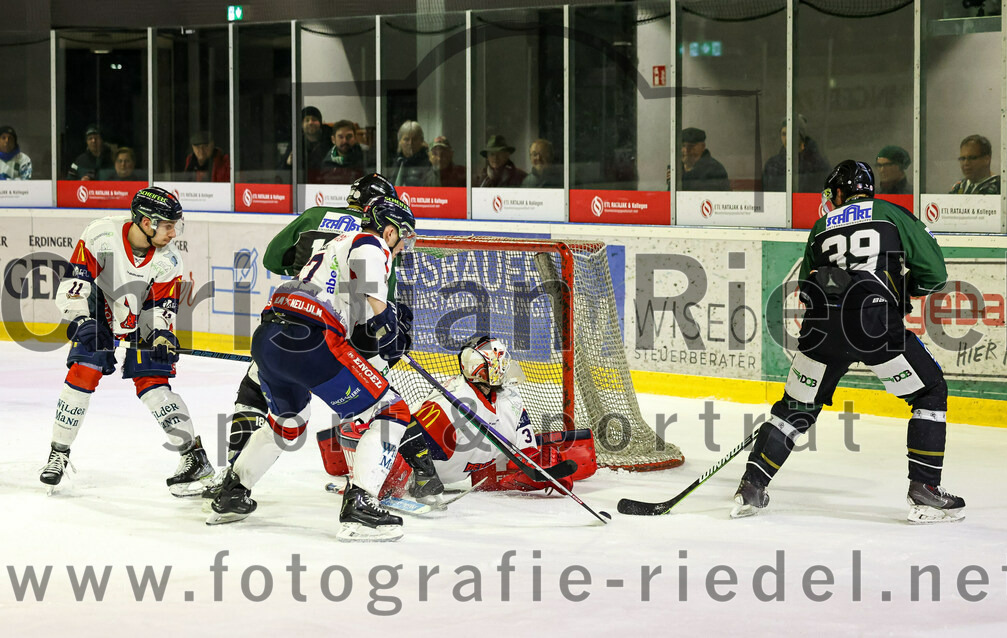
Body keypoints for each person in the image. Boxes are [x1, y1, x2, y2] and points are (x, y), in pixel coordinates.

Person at [732, 160, 964, 524]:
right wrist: (903, 292)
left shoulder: (822, 226)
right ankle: (925, 489)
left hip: (821, 330)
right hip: (874, 326)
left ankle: (752, 486)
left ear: (839, 192)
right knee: (929, 392)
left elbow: (806, 290)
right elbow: (935, 274)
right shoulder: (892, 214)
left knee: (796, 408)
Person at [207, 196, 427, 542]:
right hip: (311, 339)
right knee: (393, 409)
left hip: (269, 336)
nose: (403, 248)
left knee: (287, 426)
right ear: (389, 230)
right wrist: (387, 324)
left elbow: (354, 319)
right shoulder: (371, 242)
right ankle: (361, 505)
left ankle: (232, 491)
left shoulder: (334, 246)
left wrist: (380, 331)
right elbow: (370, 285)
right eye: (405, 238)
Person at [40, 187, 214, 496]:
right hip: (99, 305)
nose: (174, 233)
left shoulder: (168, 260)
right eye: (169, 225)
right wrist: (83, 321)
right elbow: (74, 283)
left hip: (141, 310)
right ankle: (59, 453)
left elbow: (162, 305)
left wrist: (161, 332)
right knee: (84, 370)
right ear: (147, 223)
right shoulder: (100, 235)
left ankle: (193, 458)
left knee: (153, 384)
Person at [332, 336, 596, 504]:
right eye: (497, 365)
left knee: (544, 460)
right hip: (436, 470)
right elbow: (408, 442)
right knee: (396, 465)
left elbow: (525, 452)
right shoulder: (451, 402)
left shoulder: (512, 397)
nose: (502, 370)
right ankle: (364, 470)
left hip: (468, 471)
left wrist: (537, 470)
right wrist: (417, 478)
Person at [762, 115, 830, 193]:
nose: (787, 138)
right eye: (784, 134)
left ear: (801, 136)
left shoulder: (817, 164)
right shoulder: (772, 165)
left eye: (791, 133)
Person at [280, 106, 333, 183]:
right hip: (302, 185)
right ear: (301, 125)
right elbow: (281, 171)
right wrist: (288, 163)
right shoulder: (296, 142)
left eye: (314, 120)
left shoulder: (331, 140)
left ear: (320, 123)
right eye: (306, 120)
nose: (310, 122)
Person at [320, 119, 365, 184]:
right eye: (340, 137)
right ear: (333, 139)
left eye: (349, 136)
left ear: (355, 138)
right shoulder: (326, 162)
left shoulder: (365, 157)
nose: (345, 141)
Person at [390, 120, 431, 187]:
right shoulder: (396, 161)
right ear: (400, 141)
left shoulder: (427, 163)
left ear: (421, 141)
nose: (410, 143)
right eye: (406, 139)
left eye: (415, 139)